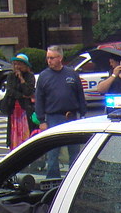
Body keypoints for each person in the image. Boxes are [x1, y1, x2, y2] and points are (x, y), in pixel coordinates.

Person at [35, 45, 86, 178]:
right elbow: (39, 99)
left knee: (74, 150)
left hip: (71, 117)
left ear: (60, 58)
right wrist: (42, 120)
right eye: (48, 58)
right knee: (53, 152)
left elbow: (80, 94)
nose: (49, 60)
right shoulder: (44, 76)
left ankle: (73, 177)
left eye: (52, 58)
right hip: (53, 117)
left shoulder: (72, 74)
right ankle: (53, 179)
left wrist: (83, 114)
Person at [3, 53, 37, 149]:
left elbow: (28, 91)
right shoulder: (10, 76)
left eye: (20, 64)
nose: (17, 67)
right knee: (13, 131)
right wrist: (22, 95)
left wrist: (22, 79)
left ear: (25, 66)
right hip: (13, 109)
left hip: (25, 109)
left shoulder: (30, 76)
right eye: (15, 64)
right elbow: (10, 91)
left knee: (27, 130)